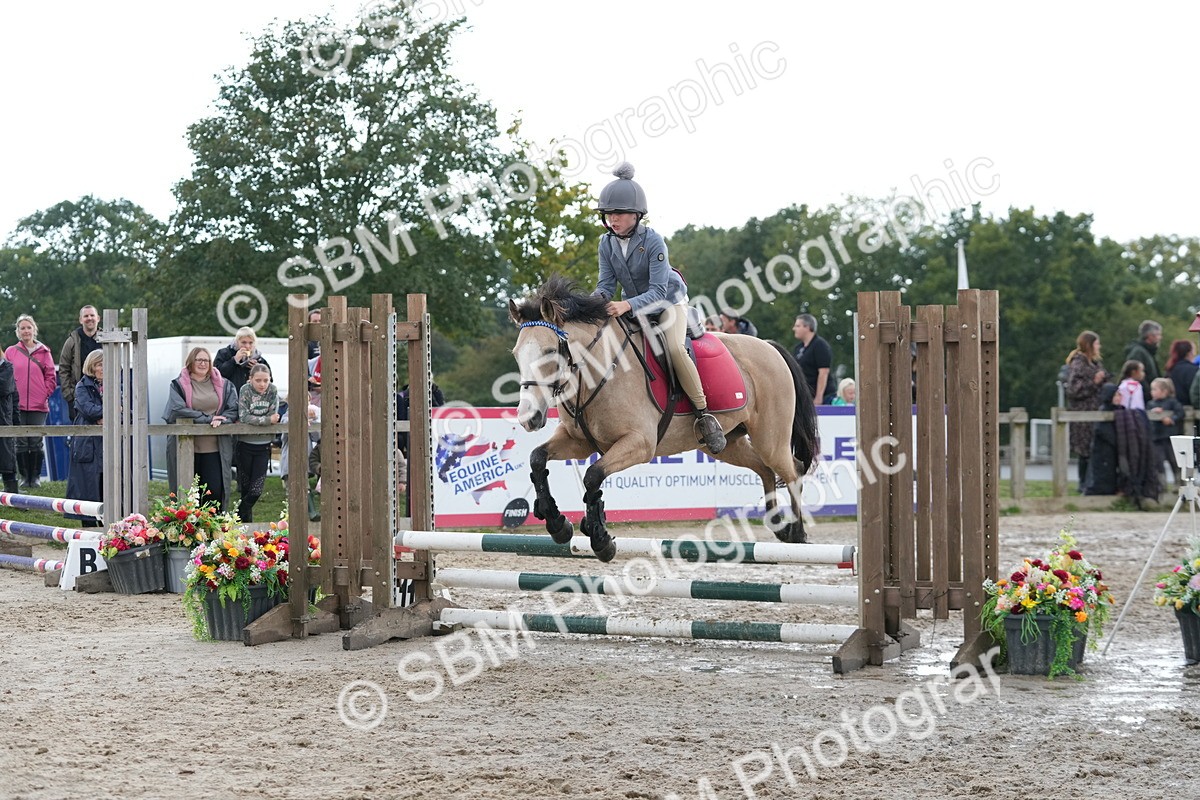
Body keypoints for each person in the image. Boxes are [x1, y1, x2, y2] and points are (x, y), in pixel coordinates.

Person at [592, 162, 725, 453]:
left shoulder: (653, 241)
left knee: (675, 349)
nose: (613, 219)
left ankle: (703, 414)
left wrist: (625, 304)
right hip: (634, 306)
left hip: (668, 302)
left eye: (620, 214)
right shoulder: (606, 243)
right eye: (609, 214)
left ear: (637, 215)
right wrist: (588, 307)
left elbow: (658, 291)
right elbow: (604, 287)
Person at [164, 347, 239, 511]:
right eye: (199, 360)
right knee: (186, 496)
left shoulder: (224, 384)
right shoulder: (178, 385)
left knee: (214, 493)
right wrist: (208, 419)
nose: (203, 363)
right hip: (185, 448)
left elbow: (233, 409)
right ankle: (189, 534)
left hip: (215, 449)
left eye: (206, 360)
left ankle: (215, 533)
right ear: (191, 362)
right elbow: (177, 409)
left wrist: (222, 420)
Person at [5, 315, 58, 488]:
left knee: (35, 440)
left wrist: (45, 393)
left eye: (29, 327)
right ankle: (24, 478)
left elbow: (51, 375)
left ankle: (34, 478)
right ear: (18, 332)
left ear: (34, 329)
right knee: (20, 441)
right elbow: (5, 376)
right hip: (16, 404)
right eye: (22, 328)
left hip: (38, 404)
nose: (26, 331)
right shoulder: (11, 352)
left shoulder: (44, 352)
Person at [1064, 331, 1108, 492]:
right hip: (1082, 413)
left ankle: (1091, 483)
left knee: (1093, 448)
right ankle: (1082, 483)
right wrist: (1094, 382)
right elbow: (1073, 390)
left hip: (1095, 411)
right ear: (1089, 345)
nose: (1099, 346)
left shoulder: (1094, 363)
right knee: (1084, 450)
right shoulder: (1079, 364)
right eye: (1097, 343)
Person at [235, 364, 279, 522]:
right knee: (246, 489)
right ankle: (246, 526)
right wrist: (266, 420)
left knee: (256, 490)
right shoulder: (245, 390)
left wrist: (264, 420)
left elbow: (275, 414)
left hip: (264, 445)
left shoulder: (272, 390)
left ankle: (236, 515)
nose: (262, 384)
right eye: (258, 380)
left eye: (265, 380)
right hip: (245, 445)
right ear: (250, 379)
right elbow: (244, 416)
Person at [65, 350, 104, 526]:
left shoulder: (119, 384)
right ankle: (88, 530)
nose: (103, 368)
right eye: (99, 364)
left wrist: (109, 414)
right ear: (92, 366)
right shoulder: (82, 386)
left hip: (109, 444)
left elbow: (128, 412)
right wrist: (113, 411)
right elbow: (88, 410)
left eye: (106, 363)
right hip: (87, 444)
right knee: (88, 488)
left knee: (107, 487)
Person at [57, 305, 101, 422]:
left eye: (92, 315)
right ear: (81, 320)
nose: (89, 318)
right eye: (86, 316)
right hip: (79, 395)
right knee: (80, 434)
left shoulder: (106, 340)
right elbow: (63, 368)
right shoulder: (72, 340)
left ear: (98, 318)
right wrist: (69, 395)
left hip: (102, 394)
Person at [1148, 377, 1186, 491]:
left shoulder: (1172, 402)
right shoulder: (1151, 404)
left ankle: (1179, 483)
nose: (1152, 392)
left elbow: (1180, 412)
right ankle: (1161, 485)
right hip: (1156, 438)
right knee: (1158, 461)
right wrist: (1154, 413)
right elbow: (1147, 414)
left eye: (1155, 389)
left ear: (1164, 391)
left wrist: (1171, 419)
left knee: (1174, 460)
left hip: (1170, 437)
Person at [214, 326, 271, 395]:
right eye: (243, 342)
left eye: (250, 343)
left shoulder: (259, 359)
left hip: (252, 401)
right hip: (229, 398)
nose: (247, 346)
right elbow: (217, 375)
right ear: (237, 342)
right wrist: (234, 360)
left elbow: (269, 380)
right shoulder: (224, 353)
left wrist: (258, 369)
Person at [792, 313, 834, 404]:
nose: (794, 329)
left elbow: (823, 372)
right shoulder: (798, 348)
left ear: (807, 327)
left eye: (798, 326)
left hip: (822, 397)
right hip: (805, 396)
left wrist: (819, 397)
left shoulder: (820, 345)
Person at [1124, 319, 1162, 404]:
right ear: (1150, 336)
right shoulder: (1138, 352)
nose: (1160, 338)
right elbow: (1136, 376)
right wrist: (1149, 393)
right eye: (1158, 334)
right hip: (1143, 399)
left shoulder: (1148, 352)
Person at [0, 350, 19, 493]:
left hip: (3, 418)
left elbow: (4, 387)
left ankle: (12, 493)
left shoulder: (7, 367)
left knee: (7, 457)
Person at [1165, 339, 1198, 407]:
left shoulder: (1170, 369)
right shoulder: (1194, 370)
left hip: (1172, 410)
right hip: (1190, 409)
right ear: (1189, 353)